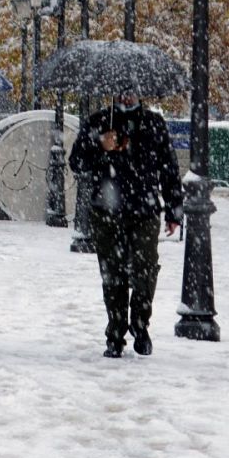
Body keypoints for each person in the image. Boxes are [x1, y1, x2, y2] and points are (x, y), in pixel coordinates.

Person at [69, 90, 183, 358]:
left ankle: (140, 325)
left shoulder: (153, 124)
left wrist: (174, 210)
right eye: (122, 92)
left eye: (132, 92)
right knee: (113, 274)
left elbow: (168, 167)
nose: (127, 98)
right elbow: (76, 162)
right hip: (107, 210)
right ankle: (116, 333)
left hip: (143, 210)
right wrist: (100, 145)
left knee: (145, 271)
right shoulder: (99, 122)